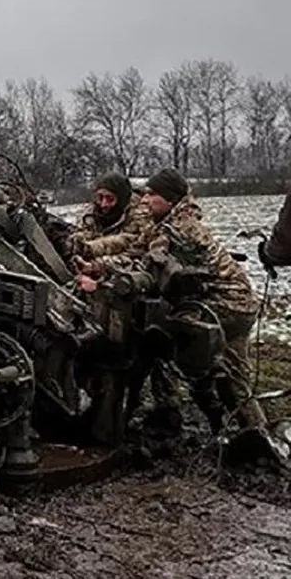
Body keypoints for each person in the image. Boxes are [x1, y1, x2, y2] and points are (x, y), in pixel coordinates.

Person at [88, 168, 265, 436]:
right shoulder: (169, 223)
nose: (146, 200)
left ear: (170, 199)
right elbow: (137, 249)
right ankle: (249, 432)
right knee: (233, 377)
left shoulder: (178, 230)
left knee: (171, 346)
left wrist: (99, 283)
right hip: (238, 303)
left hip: (224, 306)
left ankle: (228, 426)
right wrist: (97, 263)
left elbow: (148, 272)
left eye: (152, 195)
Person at [68, 172, 178, 432]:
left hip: (138, 283)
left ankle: (166, 406)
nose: (104, 204)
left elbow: (133, 251)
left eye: (110, 199)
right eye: (100, 198)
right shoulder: (89, 215)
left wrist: (96, 261)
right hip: (101, 284)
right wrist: (82, 257)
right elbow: (79, 240)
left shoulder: (142, 217)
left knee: (153, 343)